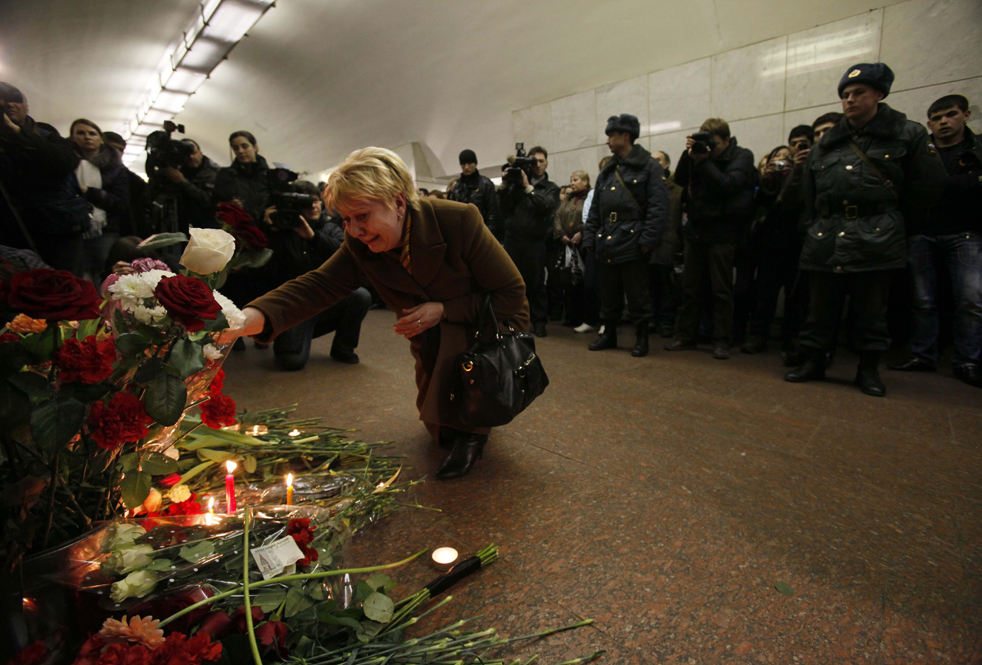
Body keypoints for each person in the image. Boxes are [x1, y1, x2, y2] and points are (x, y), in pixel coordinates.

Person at [239, 147, 529, 480]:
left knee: (467, 410)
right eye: (346, 220)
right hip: (426, 338)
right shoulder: (359, 244)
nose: (354, 231)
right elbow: (318, 285)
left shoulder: (457, 219)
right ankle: (464, 424)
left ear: (398, 202)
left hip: (481, 331)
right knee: (437, 425)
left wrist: (445, 310)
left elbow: (511, 292)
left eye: (362, 216)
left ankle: (473, 435)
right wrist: (248, 317)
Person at [785, 62, 947, 396]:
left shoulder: (907, 133)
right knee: (820, 308)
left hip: (877, 235)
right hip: (827, 235)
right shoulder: (827, 144)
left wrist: (895, 226)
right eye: (845, 94)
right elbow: (809, 192)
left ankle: (868, 369)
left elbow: (929, 186)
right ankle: (814, 360)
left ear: (878, 94)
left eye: (859, 93)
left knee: (871, 310)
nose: (850, 100)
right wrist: (814, 224)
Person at [888, 94, 982, 388]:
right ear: (929, 122)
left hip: (966, 232)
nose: (943, 122)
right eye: (937, 118)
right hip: (923, 231)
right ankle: (923, 354)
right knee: (922, 299)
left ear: (965, 115)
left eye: (950, 115)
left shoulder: (977, 149)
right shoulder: (921, 150)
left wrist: (944, 186)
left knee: (970, 300)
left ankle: (968, 360)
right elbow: (907, 187)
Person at [667, 117, 757, 359]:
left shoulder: (742, 156)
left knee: (721, 290)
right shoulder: (698, 156)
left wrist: (704, 161)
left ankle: (722, 341)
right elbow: (680, 180)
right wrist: (689, 155)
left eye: (713, 144)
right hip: (696, 230)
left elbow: (728, 185)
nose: (709, 149)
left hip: (723, 232)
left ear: (726, 140)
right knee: (690, 288)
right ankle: (686, 336)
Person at [583, 114, 668, 357]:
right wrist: (590, 237)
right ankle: (609, 334)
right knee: (608, 294)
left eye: (612, 135)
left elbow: (658, 207)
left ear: (626, 136)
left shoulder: (649, 166)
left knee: (637, 294)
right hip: (607, 240)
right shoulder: (608, 171)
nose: (608, 140)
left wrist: (648, 239)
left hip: (633, 239)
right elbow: (596, 209)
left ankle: (642, 338)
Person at [261, 181, 370, 370]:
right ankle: (284, 335)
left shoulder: (331, 229)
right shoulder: (281, 233)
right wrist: (268, 230)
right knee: (291, 362)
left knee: (360, 296)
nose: (313, 206)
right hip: (294, 306)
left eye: (316, 201)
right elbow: (267, 271)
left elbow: (345, 257)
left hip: (325, 301)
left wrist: (313, 237)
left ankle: (343, 348)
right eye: (306, 202)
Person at [0, 82, 86, 275]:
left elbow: (65, 161)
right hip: (12, 231)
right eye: (2, 102)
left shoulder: (46, 134)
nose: (9, 105)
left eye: (15, 100)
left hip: (58, 229)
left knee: (66, 286)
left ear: (26, 106)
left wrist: (16, 132)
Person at [743, 127, 812, 359]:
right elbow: (760, 207)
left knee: (796, 298)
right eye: (777, 158)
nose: (783, 161)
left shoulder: (804, 174)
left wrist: (797, 173)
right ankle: (758, 335)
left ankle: (791, 338)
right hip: (770, 247)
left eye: (786, 157)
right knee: (765, 295)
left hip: (797, 244)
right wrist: (769, 179)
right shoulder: (767, 182)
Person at [498, 145, 560, 338]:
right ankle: (513, 321)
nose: (539, 165)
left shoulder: (551, 188)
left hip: (535, 242)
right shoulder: (515, 185)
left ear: (547, 162)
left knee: (536, 284)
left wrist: (527, 187)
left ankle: (539, 322)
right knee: (512, 283)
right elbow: (503, 208)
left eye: (542, 161)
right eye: (535, 161)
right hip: (513, 240)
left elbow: (547, 206)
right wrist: (505, 185)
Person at [68, 118, 131, 284]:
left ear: (101, 139)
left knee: (105, 275)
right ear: (72, 137)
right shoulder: (65, 163)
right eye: (80, 133)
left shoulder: (115, 168)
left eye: (92, 133)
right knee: (76, 274)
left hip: (105, 229)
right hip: (71, 226)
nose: (87, 137)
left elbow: (121, 203)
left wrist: (89, 192)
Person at [649, 150, 683, 338]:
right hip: (648, 245)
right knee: (650, 285)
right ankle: (652, 319)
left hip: (668, 243)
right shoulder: (645, 188)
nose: (654, 163)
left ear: (667, 164)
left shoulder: (677, 189)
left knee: (667, 285)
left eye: (658, 160)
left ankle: (667, 321)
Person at [157, 138, 220, 233]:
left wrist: (183, 182)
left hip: (207, 225)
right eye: (186, 155)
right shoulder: (175, 171)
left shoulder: (214, 173)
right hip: (181, 224)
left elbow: (209, 201)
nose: (191, 157)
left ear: (200, 153)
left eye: (193, 153)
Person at [552, 171, 591, 328]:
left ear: (585, 181)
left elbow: (590, 217)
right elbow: (557, 218)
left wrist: (581, 232)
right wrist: (561, 234)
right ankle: (571, 316)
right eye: (570, 180)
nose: (572, 183)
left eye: (576, 180)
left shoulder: (590, 199)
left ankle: (586, 316)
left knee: (584, 282)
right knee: (569, 282)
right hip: (567, 245)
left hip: (583, 245)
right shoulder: (567, 202)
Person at [103, 131, 152, 237]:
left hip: (122, 230)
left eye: (121, 149)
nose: (117, 152)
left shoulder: (134, 182)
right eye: (112, 147)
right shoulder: (85, 171)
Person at [449, 149, 499, 239]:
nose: (466, 167)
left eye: (469, 163)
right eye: (463, 164)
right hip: (461, 233)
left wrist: (488, 236)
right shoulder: (458, 186)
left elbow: (492, 212)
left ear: (475, 164)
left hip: (481, 231)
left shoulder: (485, 183)